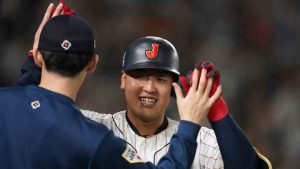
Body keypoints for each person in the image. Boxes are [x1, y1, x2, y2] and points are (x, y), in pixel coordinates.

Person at [16, 3, 272, 169]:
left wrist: (219, 116)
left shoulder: (201, 140)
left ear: (174, 87)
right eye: (140, 75)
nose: (149, 87)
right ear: (123, 79)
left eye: (161, 79)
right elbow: (31, 118)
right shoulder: (93, 128)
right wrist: (44, 56)